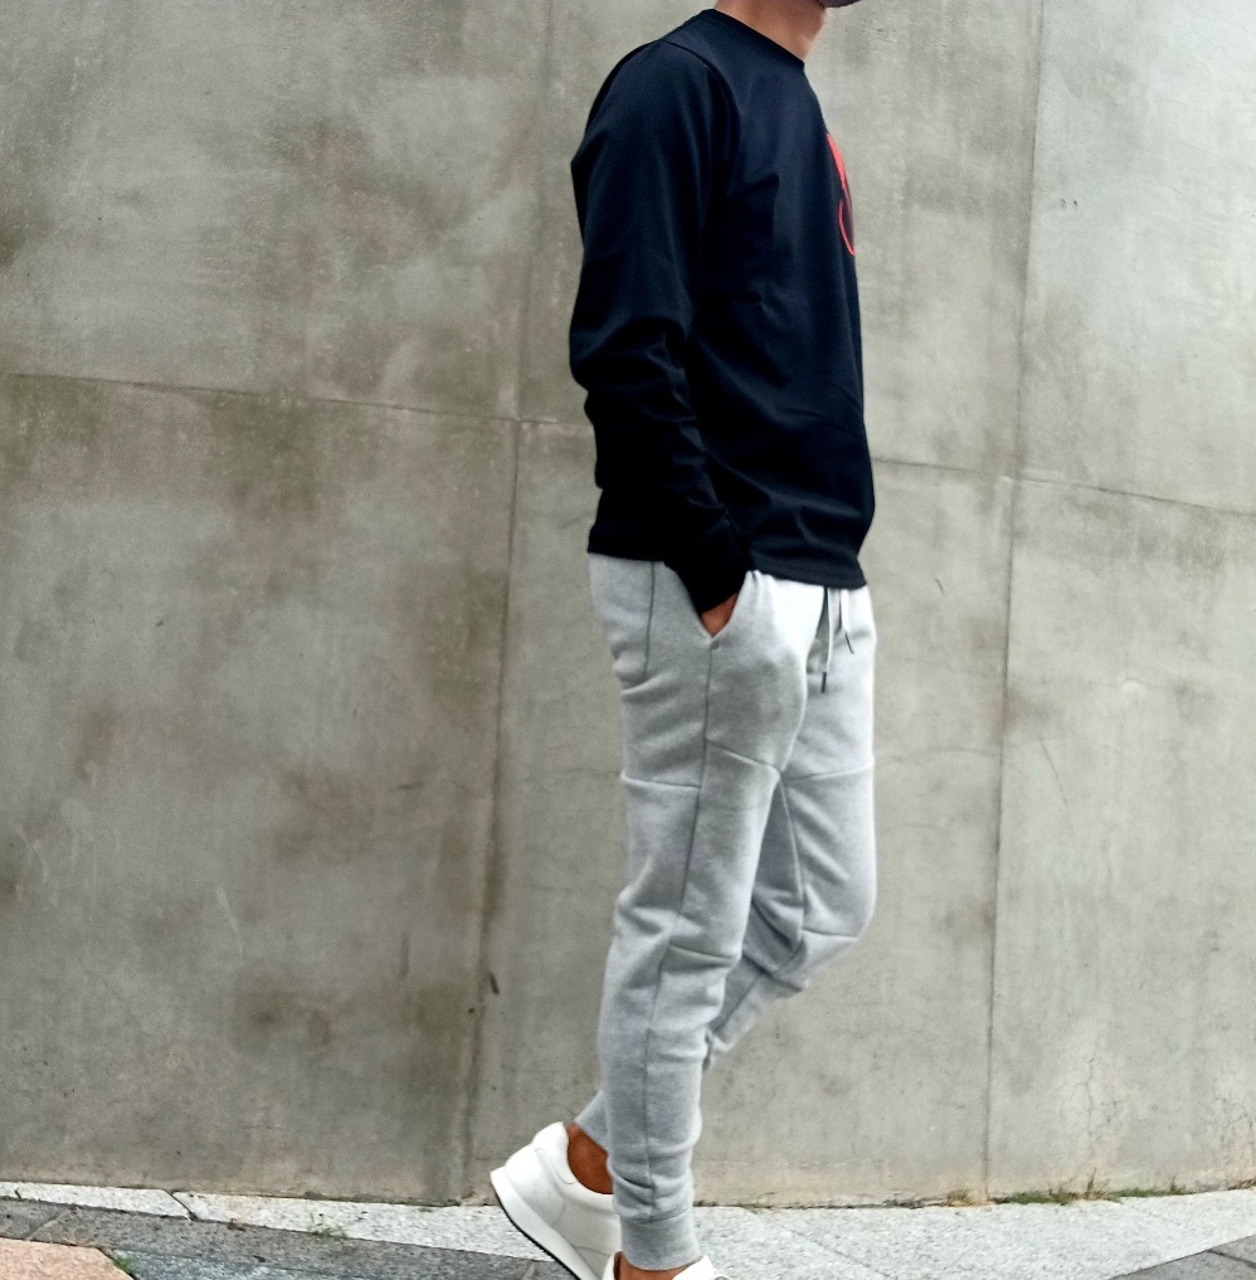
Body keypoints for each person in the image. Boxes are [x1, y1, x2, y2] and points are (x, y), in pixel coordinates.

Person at [492, 1, 875, 1276]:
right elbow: (622, 346)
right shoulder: (675, 83)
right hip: (715, 576)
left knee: (821, 906)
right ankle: (649, 1253)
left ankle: (596, 1154)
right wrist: (718, 574)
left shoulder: (792, 97)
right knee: (684, 935)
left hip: (820, 578)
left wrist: (818, 582)